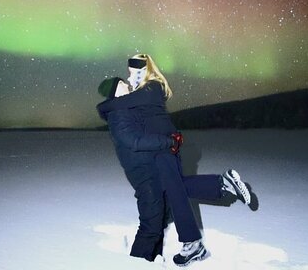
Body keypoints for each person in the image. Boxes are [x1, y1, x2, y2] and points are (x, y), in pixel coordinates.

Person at [125, 53, 252, 267]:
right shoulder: (145, 91)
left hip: (165, 148)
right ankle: (221, 184)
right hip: (161, 147)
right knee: (175, 188)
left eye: (131, 73)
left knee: (175, 191)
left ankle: (193, 242)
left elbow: (122, 105)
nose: (129, 79)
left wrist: (110, 99)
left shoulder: (152, 87)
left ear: (141, 71)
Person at [97, 76, 172, 263]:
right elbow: (134, 141)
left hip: (152, 167)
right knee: (151, 223)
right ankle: (137, 263)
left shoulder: (128, 109)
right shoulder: (118, 112)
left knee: (162, 215)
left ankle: (154, 258)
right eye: (123, 84)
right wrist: (167, 142)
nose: (128, 85)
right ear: (114, 92)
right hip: (142, 172)